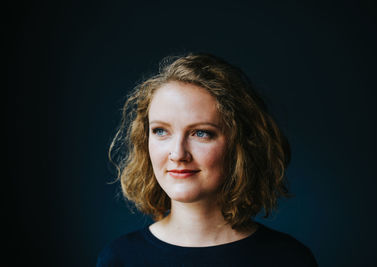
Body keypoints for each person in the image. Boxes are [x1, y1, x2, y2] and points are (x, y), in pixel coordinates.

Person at [97, 53, 318, 266]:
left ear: (240, 144)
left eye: (201, 133)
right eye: (161, 131)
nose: (178, 154)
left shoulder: (289, 258)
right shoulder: (120, 258)